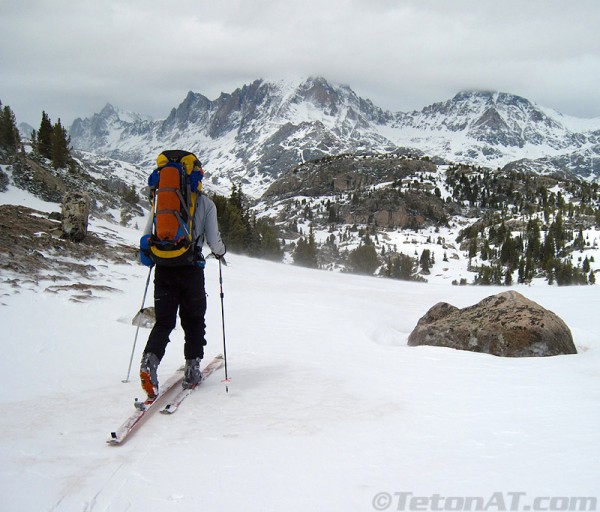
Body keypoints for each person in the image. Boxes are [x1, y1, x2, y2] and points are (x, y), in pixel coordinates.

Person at [138, 152, 226, 399]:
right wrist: (221, 253)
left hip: (164, 268)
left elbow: (147, 236)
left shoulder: (161, 202)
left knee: (164, 322)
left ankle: (149, 360)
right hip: (190, 269)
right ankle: (192, 368)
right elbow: (213, 240)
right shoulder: (206, 204)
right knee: (193, 320)